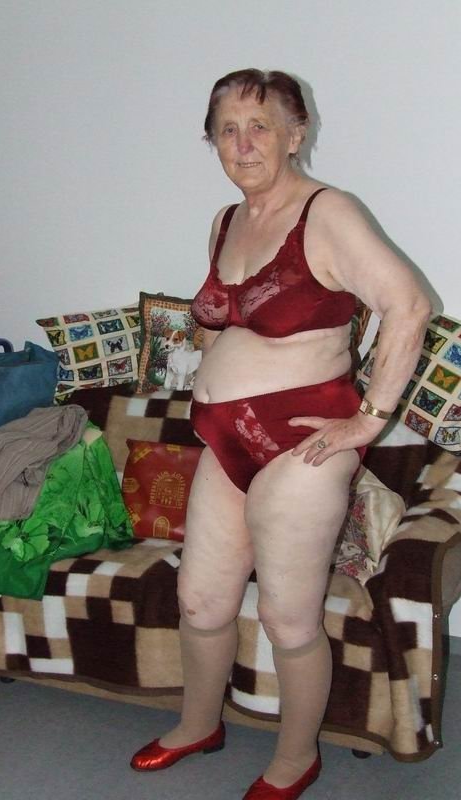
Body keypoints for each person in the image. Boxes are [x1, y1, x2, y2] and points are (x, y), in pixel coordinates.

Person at [131, 69, 432, 799]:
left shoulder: (328, 213)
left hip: (301, 447)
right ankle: (197, 724)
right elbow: (223, 327)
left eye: (259, 126)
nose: (242, 144)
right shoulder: (224, 221)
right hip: (225, 441)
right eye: (226, 130)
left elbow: (409, 305)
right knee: (201, 601)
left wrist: (369, 419)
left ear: (295, 135)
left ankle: (296, 758)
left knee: (286, 616)